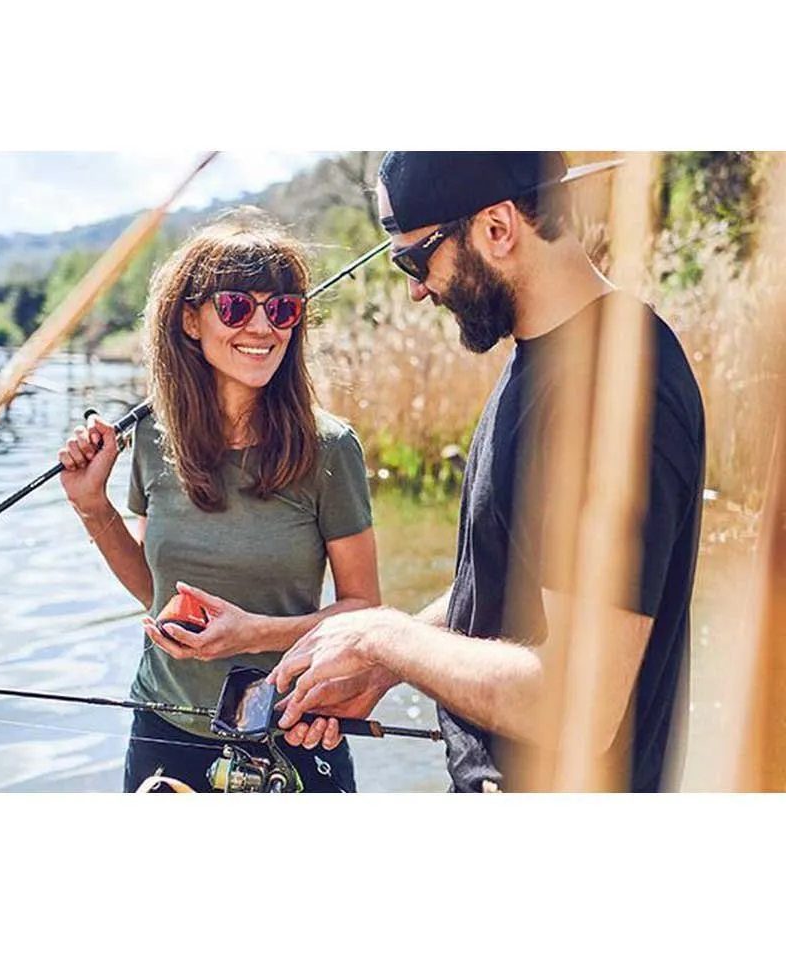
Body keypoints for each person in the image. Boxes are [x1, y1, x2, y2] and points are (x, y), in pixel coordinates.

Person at [269, 152, 706, 793]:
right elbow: (501, 583)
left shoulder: (612, 392)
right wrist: (384, 663)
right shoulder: (543, 359)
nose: (417, 289)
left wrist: (386, 638)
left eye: (415, 260)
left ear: (497, 228)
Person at [57, 211, 384, 792]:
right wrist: (92, 507)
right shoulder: (152, 439)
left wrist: (254, 634)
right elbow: (155, 591)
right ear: (190, 319)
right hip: (163, 729)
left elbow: (363, 611)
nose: (262, 327)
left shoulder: (331, 448)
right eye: (235, 307)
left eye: (281, 309)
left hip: (292, 731)